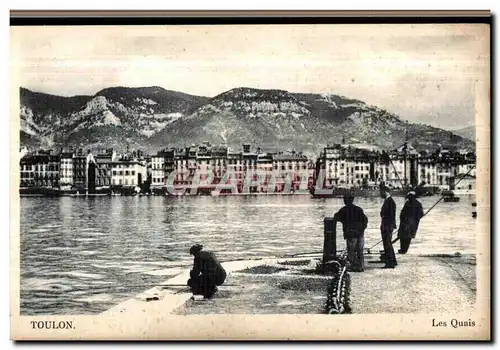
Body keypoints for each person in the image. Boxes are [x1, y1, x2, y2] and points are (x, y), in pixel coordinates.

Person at [333, 193, 368, 272]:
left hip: (351, 233)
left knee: (351, 251)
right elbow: (365, 220)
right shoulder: (359, 209)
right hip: (360, 232)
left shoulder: (343, 210)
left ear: (345, 201)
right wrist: (361, 229)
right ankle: (361, 266)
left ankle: (354, 266)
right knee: (360, 250)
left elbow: (336, 217)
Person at [380, 186, 397, 268]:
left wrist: (387, 226)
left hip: (387, 226)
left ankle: (390, 263)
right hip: (388, 225)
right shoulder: (389, 201)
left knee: (387, 244)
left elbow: (389, 215)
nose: (380, 194)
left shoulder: (389, 202)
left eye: (381, 192)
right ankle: (393, 261)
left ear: (385, 191)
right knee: (388, 243)